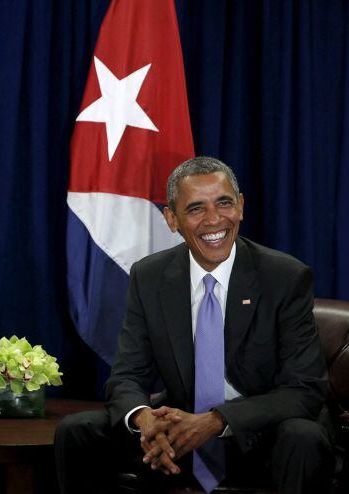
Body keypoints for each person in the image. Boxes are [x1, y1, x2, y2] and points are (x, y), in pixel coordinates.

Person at [55, 157, 333, 493]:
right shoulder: (150, 277)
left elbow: (304, 389)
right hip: (179, 432)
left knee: (303, 437)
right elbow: (128, 375)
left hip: (260, 434)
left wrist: (217, 421)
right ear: (171, 219)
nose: (214, 220)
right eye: (196, 208)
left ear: (241, 206)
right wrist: (146, 421)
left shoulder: (285, 277)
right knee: (78, 430)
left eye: (224, 203)